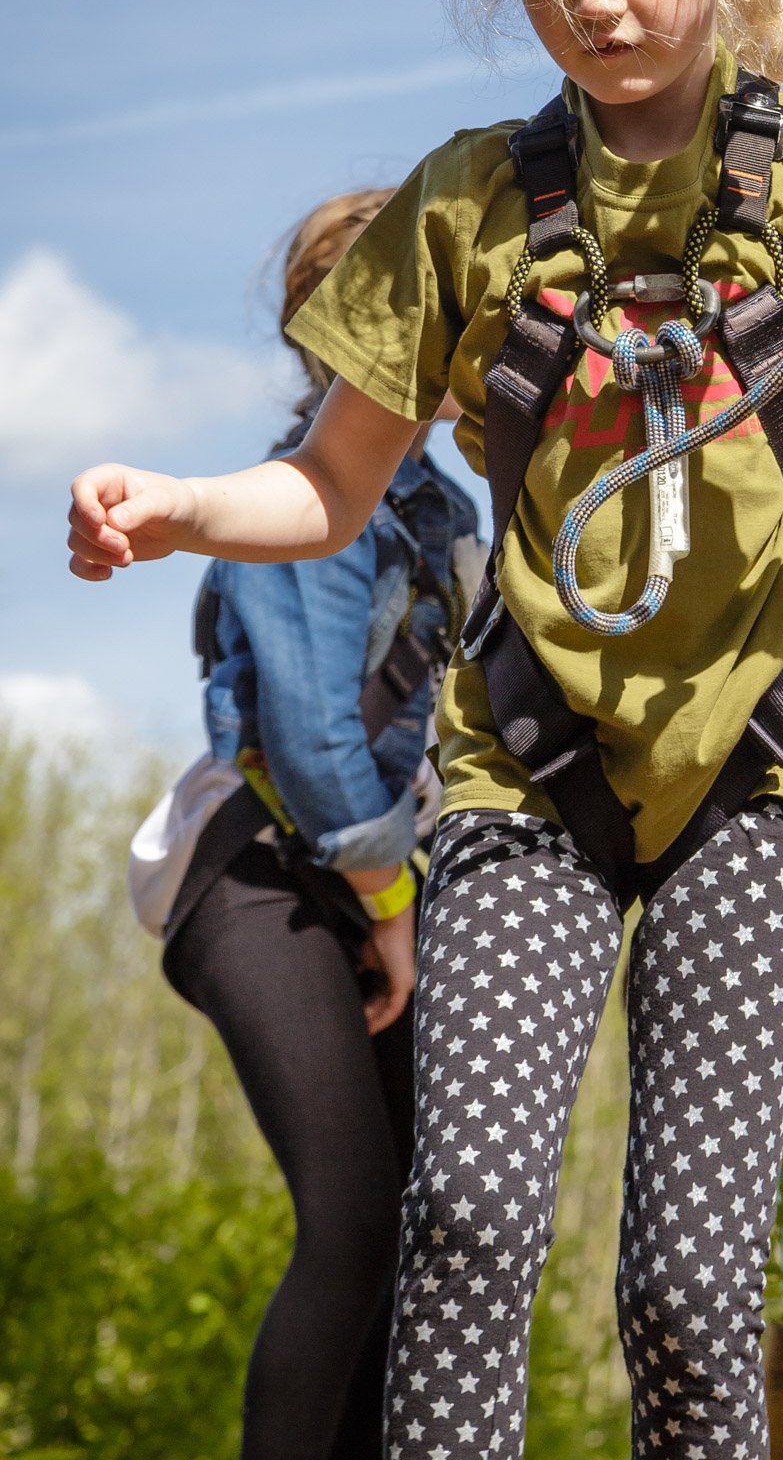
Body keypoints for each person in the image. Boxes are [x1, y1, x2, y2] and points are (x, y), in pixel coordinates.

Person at [67, 0, 783, 1459]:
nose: (593, 0)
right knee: (461, 1219)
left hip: (753, 771)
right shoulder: (469, 202)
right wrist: (183, 508)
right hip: (523, 767)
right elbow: (333, 483)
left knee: (690, 1279)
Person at [161, 189, 482, 1460]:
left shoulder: (444, 512)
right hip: (266, 876)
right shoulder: (295, 496)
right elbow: (308, 737)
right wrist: (393, 910)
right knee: (351, 1218)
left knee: (414, 1228)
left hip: (375, 879)